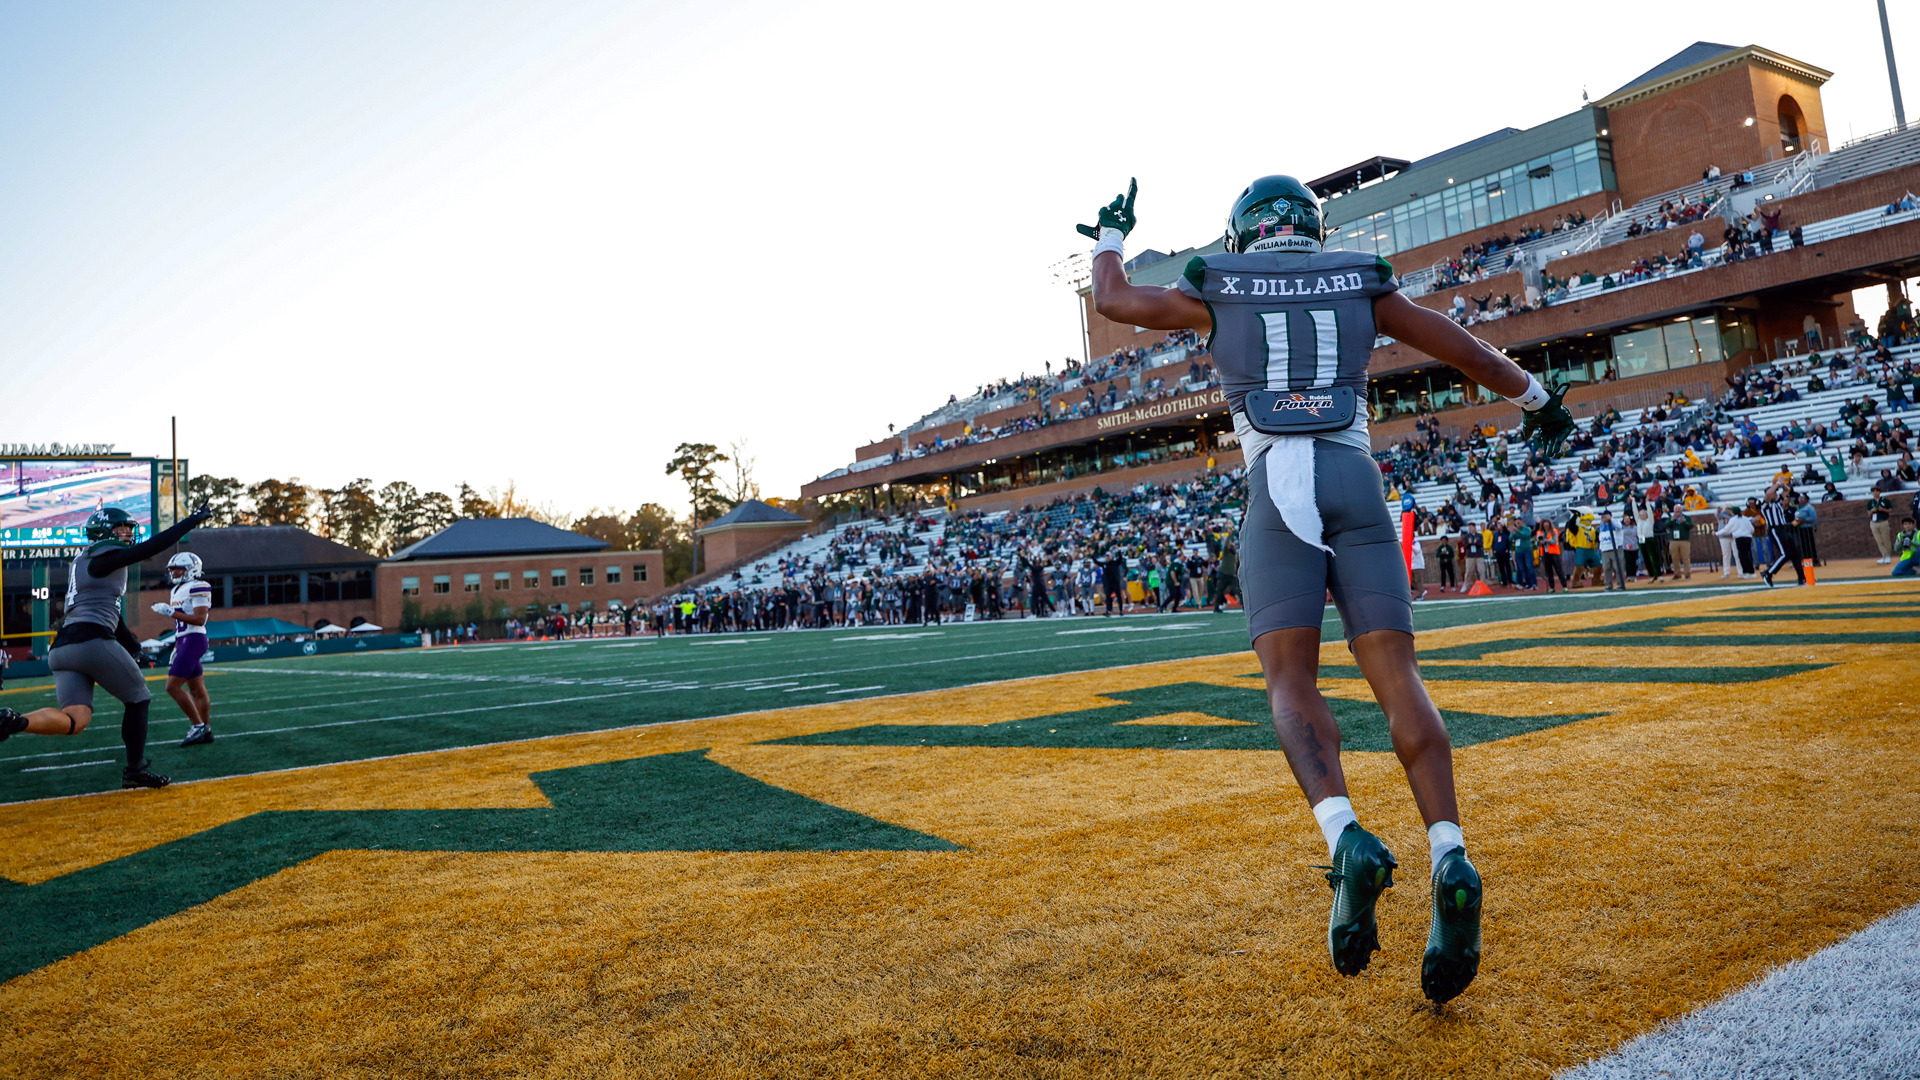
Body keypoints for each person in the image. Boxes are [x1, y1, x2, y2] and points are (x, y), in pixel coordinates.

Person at [1083, 174, 1573, 1004]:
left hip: (1278, 480)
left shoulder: (1218, 281)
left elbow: (1115, 303)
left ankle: (1345, 837)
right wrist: (1536, 397)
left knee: (1291, 682)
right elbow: (1459, 345)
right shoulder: (1361, 275)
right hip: (1355, 472)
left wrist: (1108, 236)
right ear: (1313, 225)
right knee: (1398, 677)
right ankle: (1449, 850)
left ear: (1244, 233)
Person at [0, 504, 213, 787]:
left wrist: (133, 646)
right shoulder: (103, 555)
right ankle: (135, 770)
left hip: (63, 648)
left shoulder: (83, 561)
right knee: (138, 698)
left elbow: (111, 612)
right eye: (120, 528)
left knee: (76, 720)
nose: (126, 533)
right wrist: (192, 521)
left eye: (128, 528)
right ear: (102, 532)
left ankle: (13, 721)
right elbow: (148, 549)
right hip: (90, 641)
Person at [154, 552, 216, 747]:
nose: (174, 572)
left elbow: (200, 619)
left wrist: (171, 613)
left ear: (191, 570)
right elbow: (180, 624)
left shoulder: (199, 586)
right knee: (196, 689)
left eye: (178, 569)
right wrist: (176, 644)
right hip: (183, 640)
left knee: (172, 686)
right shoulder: (176, 590)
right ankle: (205, 730)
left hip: (194, 639)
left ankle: (198, 726)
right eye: (172, 569)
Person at [1758, 485, 1806, 587]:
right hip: (1774, 529)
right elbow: (1768, 494)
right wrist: (1776, 485)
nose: (1776, 494)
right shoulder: (1765, 505)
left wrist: (1782, 484)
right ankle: (1768, 573)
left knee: (1795, 553)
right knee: (1785, 554)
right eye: (1774, 492)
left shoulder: (1778, 502)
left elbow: (1787, 490)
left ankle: (1802, 578)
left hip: (1782, 529)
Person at [1868, 491, 1895, 562]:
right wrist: (1872, 510)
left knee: (1886, 539)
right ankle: (1884, 555)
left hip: (1883, 521)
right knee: (1879, 540)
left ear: (1879, 492)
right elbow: (1868, 513)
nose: (1875, 493)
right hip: (1873, 522)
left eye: (1876, 491)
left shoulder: (1885, 500)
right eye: (1873, 492)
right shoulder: (1870, 502)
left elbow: (1891, 510)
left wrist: (1882, 509)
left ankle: (1888, 555)